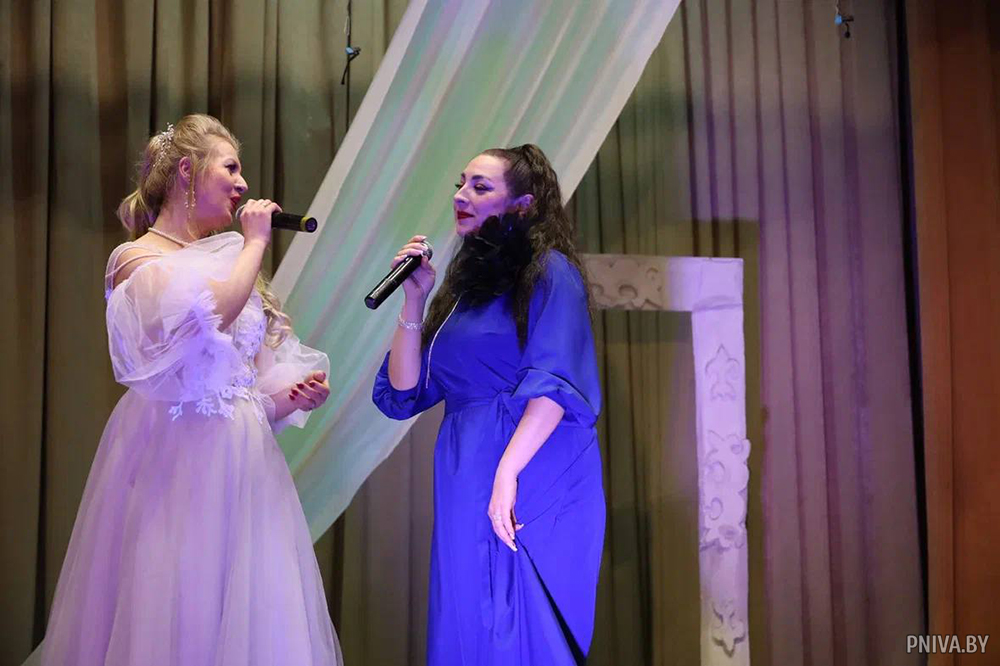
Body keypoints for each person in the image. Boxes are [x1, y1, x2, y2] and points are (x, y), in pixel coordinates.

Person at [39, 114, 343, 666]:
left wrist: (291, 396)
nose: (243, 184)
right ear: (187, 170)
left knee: (247, 610)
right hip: (177, 462)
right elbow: (208, 320)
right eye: (231, 168)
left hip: (244, 463)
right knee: (178, 604)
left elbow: (240, 388)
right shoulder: (138, 259)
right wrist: (255, 242)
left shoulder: (226, 259)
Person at [373, 144, 605, 665]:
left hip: (529, 464)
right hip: (467, 469)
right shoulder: (463, 292)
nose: (461, 195)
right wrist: (414, 299)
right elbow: (405, 391)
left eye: (480, 187)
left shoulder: (551, 272)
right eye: (460, 184)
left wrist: (506, 473)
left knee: (517, 624)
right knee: (469, 620)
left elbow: (555, 387)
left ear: (522, 204)